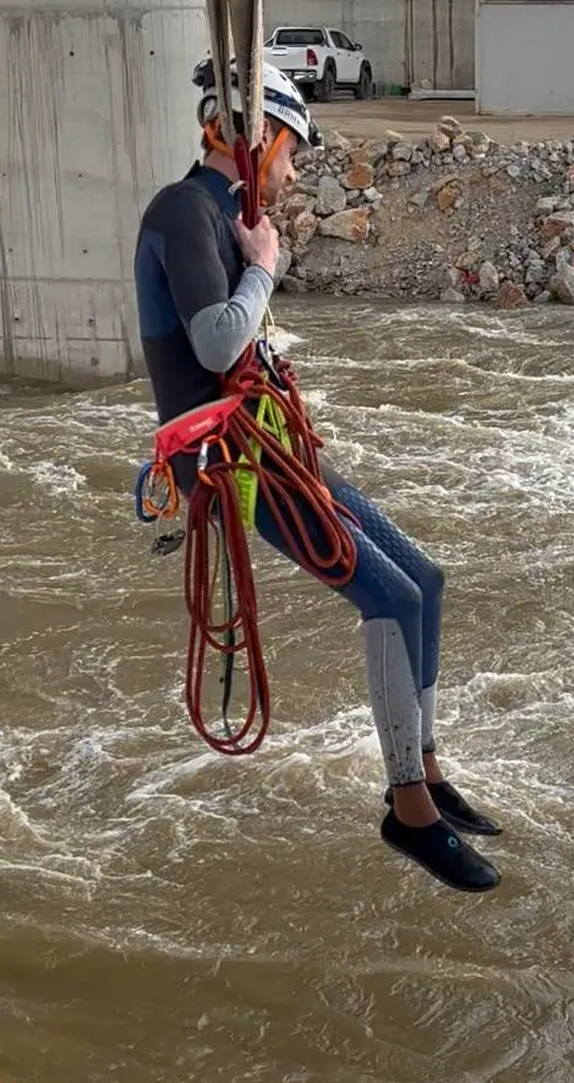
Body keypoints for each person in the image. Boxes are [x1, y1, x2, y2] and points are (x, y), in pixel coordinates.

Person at [134, 58, 501, 893]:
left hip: (266, 443)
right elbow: (218, 345)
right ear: (254, 137)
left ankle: (430, 771)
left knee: (427, 581)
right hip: (229, 462)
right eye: (291, 149)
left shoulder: (218, 215)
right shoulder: (182, 211)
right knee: (390, 596)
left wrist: (255, 258)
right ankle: (409, 811)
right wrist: (263, 264)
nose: (295, 169)